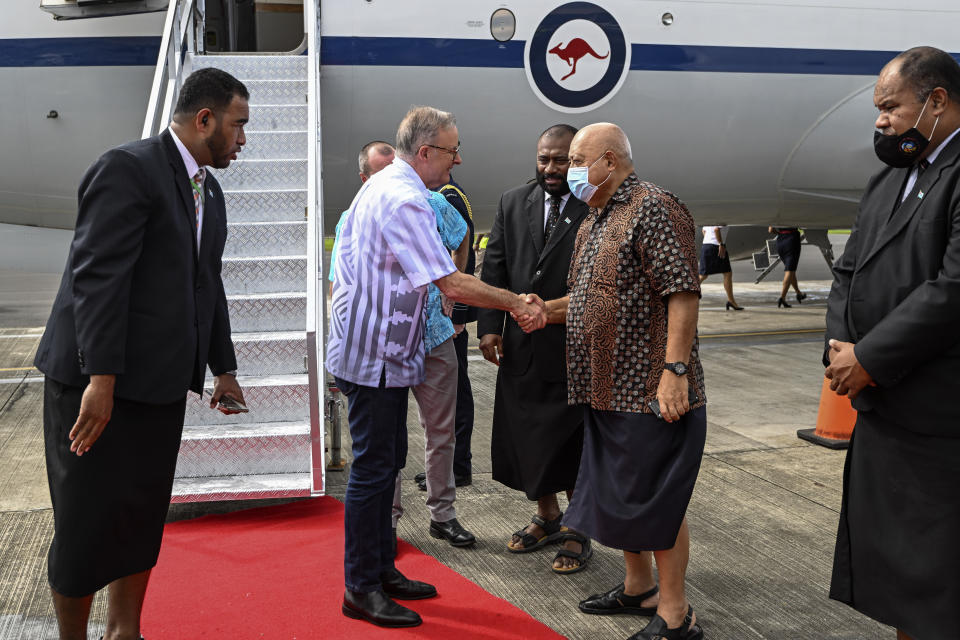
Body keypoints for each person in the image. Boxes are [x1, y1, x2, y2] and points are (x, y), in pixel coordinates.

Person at [33, 67, 248, 640]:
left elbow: (208, 284)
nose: (243, 139)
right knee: (84, 522)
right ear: (204, 120)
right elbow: (98, 279)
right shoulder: (129, 169)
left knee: (139, 517)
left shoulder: (210, 191)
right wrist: (99, 380)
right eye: (238, 125)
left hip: (158, 384)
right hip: (95, 383)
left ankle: (125, 632)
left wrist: (222, 368)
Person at [326, 105, 546, 629]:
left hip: (382, 350)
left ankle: (381, 569)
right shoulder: (403, 198)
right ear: (425, 152)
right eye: (451, 150)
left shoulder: (392, 186)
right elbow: (449, 281)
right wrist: (516, 301)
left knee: (390, 459)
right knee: (375, 470)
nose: (458, 159)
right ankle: (360, 586)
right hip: (374, 354)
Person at [521, 123, 706, 640]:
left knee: (655, 499)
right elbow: (586, 297)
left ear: (607, 160)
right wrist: (540, 310)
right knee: (620, 496)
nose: (571, 169)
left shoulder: (654, 207)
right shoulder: (595, 217)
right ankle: (638, 586)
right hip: (603, 388)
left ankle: (675, 612)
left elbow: (682, 293)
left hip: (648, 389)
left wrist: (674, 373)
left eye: (577, 159)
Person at [824, 46, 960, 640]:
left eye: (890, 106)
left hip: (937, 416)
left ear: (936, 101)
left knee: (937, 580)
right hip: (882, 411)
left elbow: (953, 289)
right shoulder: (890, 179)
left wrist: (871, 358)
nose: (880, 120)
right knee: (899, 580)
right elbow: (848, 271)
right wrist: (839, 347)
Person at [328, 141, 477, 549]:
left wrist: (454, 298)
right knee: (386, 446)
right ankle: (387, 521)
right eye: (379, 172)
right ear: (365, 179)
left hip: (432, 335)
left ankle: (442, 513)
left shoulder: (429, 201)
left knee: (440, 432)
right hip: (387, 347)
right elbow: (338, 281)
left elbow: (462, 235)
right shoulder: (352, 217)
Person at [478, 124, 591, 573]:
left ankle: (579, 529)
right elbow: (495, 267)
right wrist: (489, 327)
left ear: (576, 159)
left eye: (560, 159)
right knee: (528, 438)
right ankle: (547, 516)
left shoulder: (592, 205)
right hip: (522, 346)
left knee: (574, 444)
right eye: (544, 159)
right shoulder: (512, 202)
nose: (550, 168)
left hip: (574, 347)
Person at [698, 225, 742, 310]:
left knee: (725, 273)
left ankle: (731, 301)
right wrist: (720, 244)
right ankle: (731, 301)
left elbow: (704, 231)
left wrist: (710, 240)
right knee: (726, 273)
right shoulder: (723, 217)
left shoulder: (710, 219)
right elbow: (716, 229)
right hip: (716, 246)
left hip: (707, 246)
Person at [768, 226, 806, 307]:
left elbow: (770, 230)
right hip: (792, 240)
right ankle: (782, 297)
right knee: (790, 270)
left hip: (780, 241)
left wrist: (780, 233)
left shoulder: (777, 215)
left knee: (791, 271)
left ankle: (798, 293)